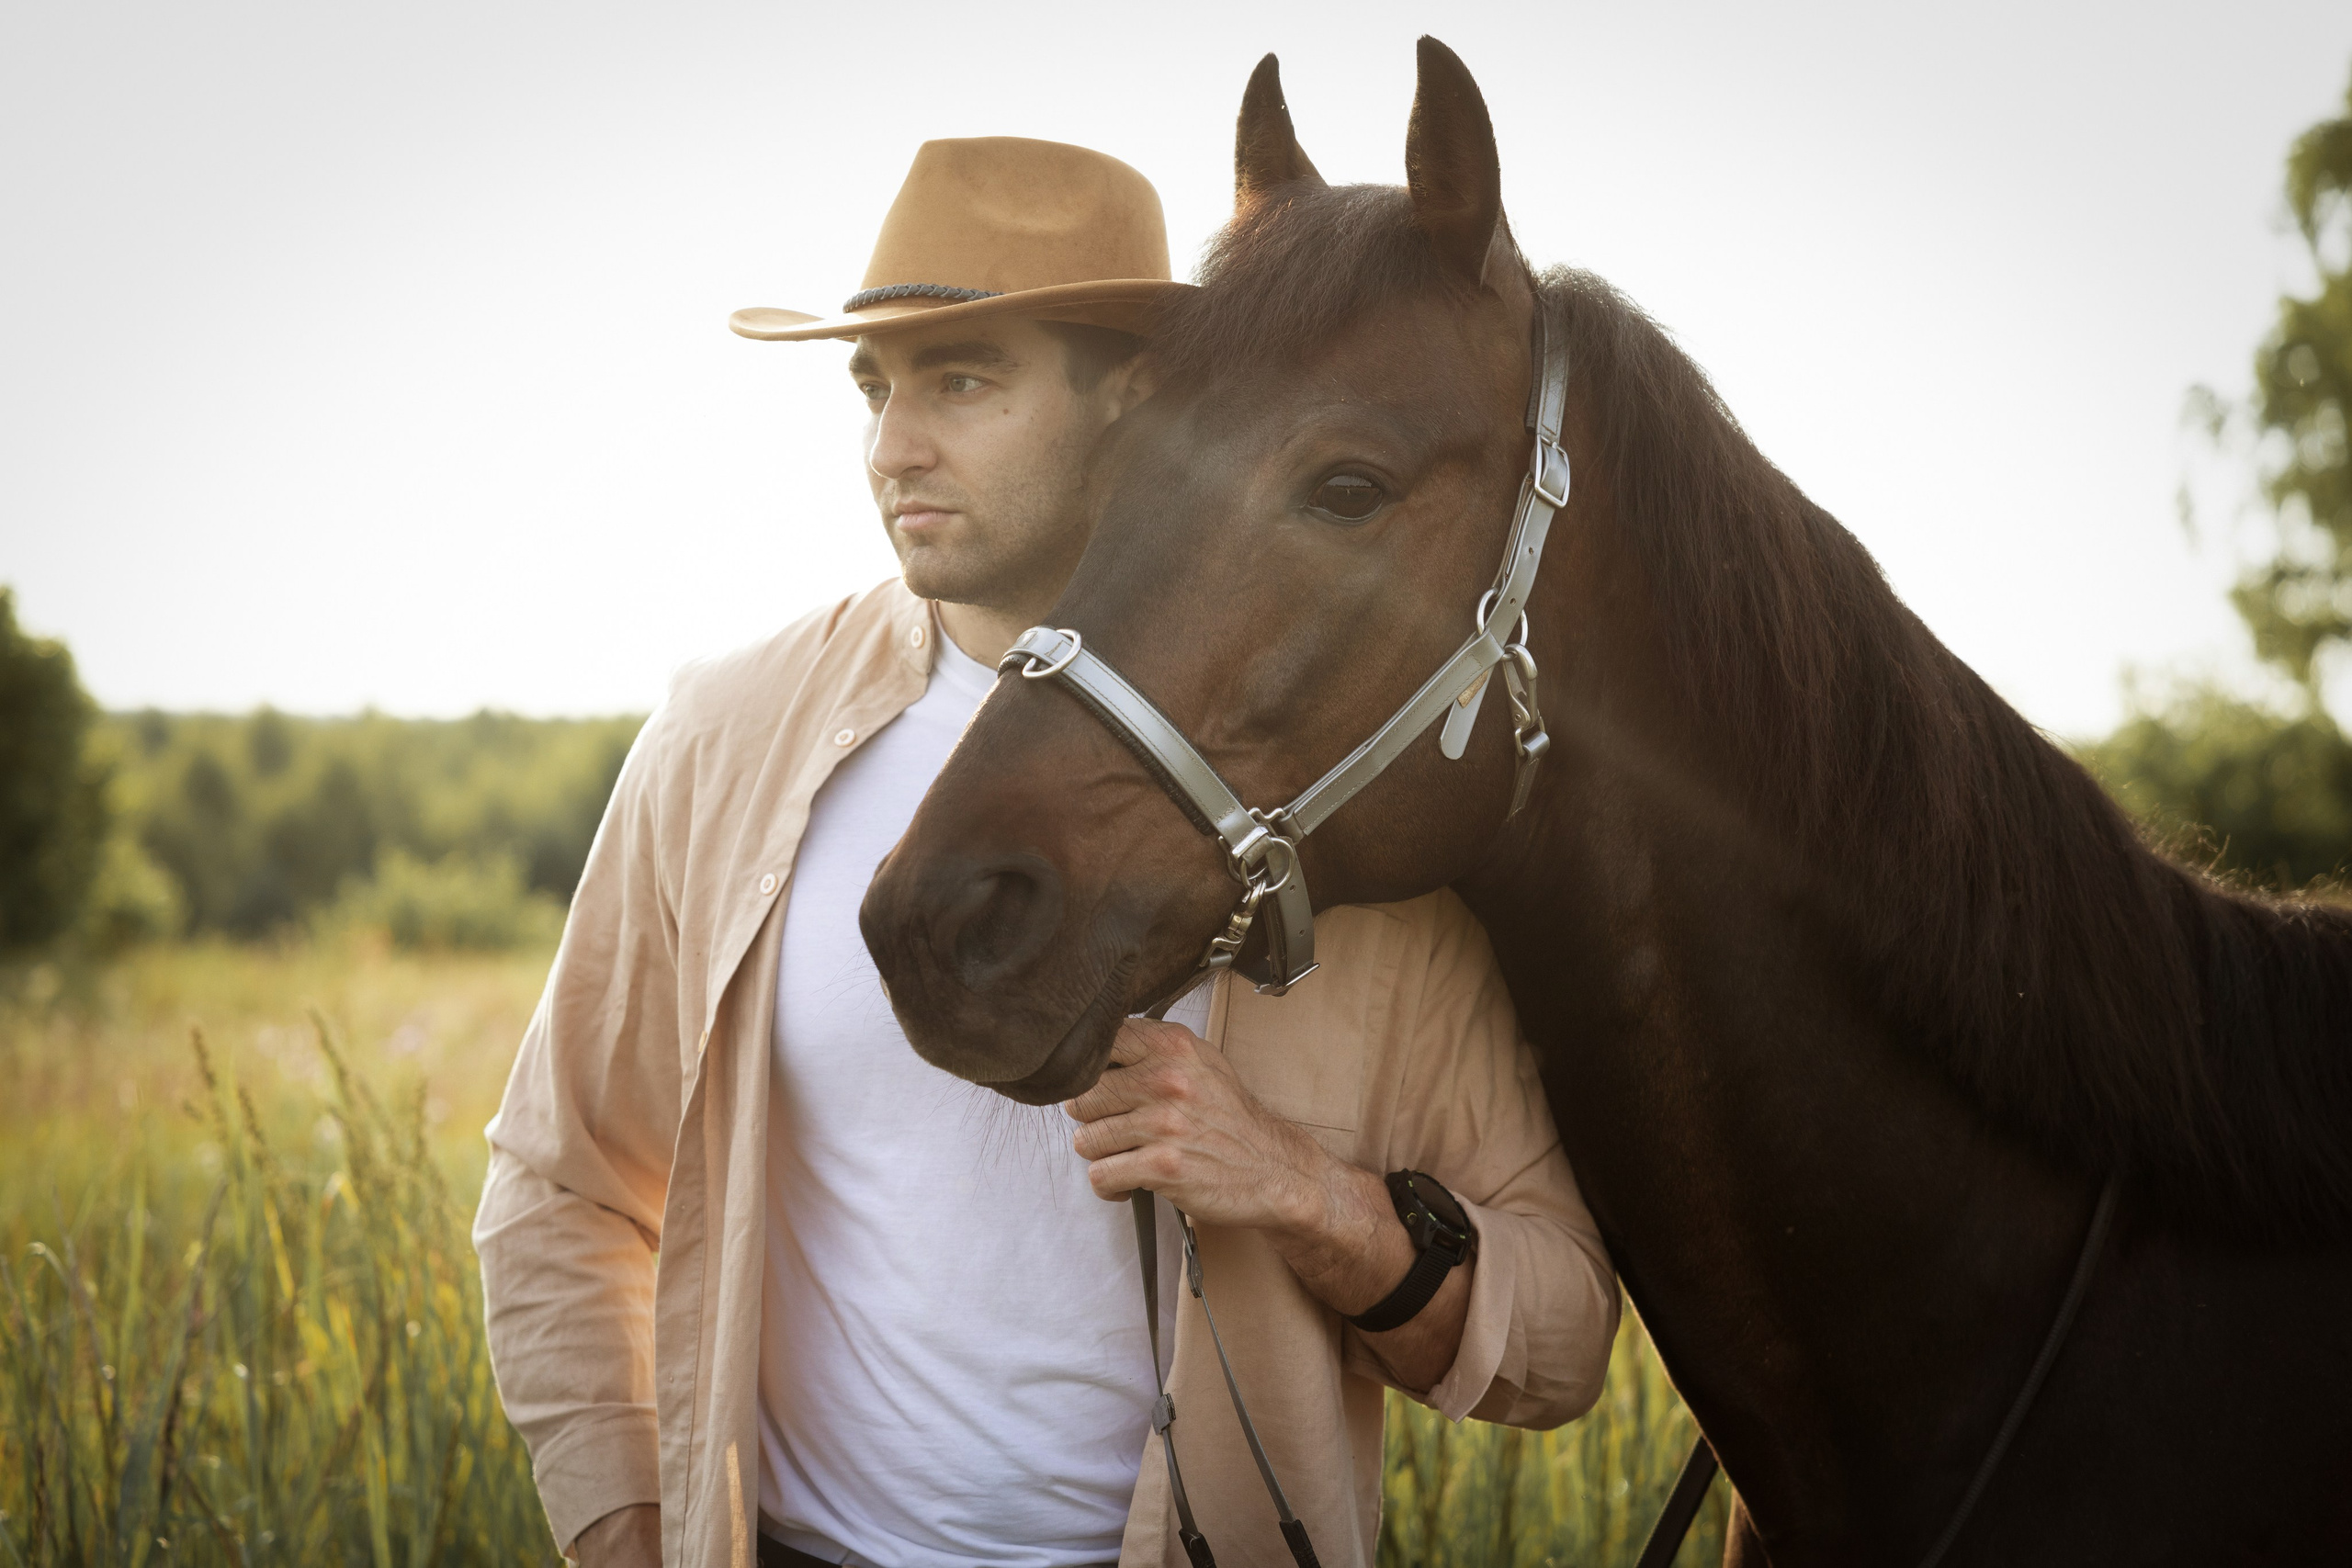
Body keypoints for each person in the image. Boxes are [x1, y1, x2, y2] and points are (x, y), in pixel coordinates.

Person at [473, 135, 1619, 1568]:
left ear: (1132, 398)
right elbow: (563, 1186)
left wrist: (1302, 1191)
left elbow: (1561, 1338)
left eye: (962, 381)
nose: (895, 446)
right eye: (876, 388)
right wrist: (626, 1534)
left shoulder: (1328, 795)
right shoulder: (728, 743)